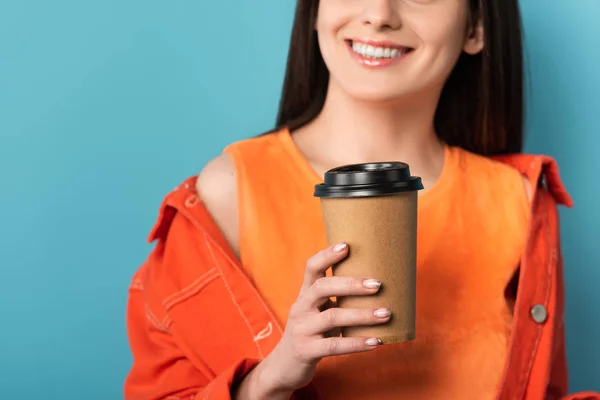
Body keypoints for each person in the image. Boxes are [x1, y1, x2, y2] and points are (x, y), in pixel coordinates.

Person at [124, 0, 599, 399]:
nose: (379, 14)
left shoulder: (517, 200)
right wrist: (270, 378)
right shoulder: (227, 192)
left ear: (475, 27)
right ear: (314, 11)